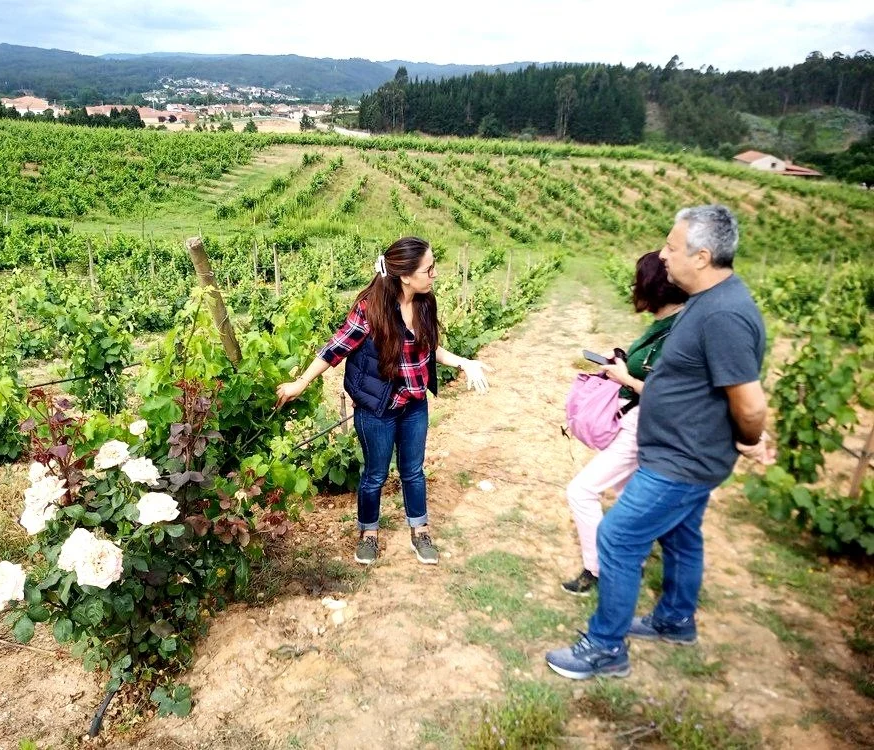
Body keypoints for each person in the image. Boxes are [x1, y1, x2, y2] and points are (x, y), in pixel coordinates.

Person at [547, 204, 776, 680]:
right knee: (681, 535)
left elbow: (749, 404)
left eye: (672, 247)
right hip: (678, 448)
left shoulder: (724, 316)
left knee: (618, 536)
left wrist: (750, 439)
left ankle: (606, 648)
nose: (664, 257)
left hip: (683, 458)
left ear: (702, 256)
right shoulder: (708, 304)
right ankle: (675, 620)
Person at [275, 236, 491, 566]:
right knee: (375, 474)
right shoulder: (370, 309)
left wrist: (463, 361)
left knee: (413, 472)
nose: (434, 274)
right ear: (405, 275)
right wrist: (301, 382)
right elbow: (335, 348)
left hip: (414, 405)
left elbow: (431, 348)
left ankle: (420, 530)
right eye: (429, 269)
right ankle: (369, 533)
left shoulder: (424, 302)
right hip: (378, 408)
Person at [561, 252, 688, 597]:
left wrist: (626, 378)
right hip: (637, 420)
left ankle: (598, 568)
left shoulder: (679, 332)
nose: (634, 286)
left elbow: (671, 393)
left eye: (638, 280)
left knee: (582, 491)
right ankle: (635, 556)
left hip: (645, 424)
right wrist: (623, 364)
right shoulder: (666, 324)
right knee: (627, 492)